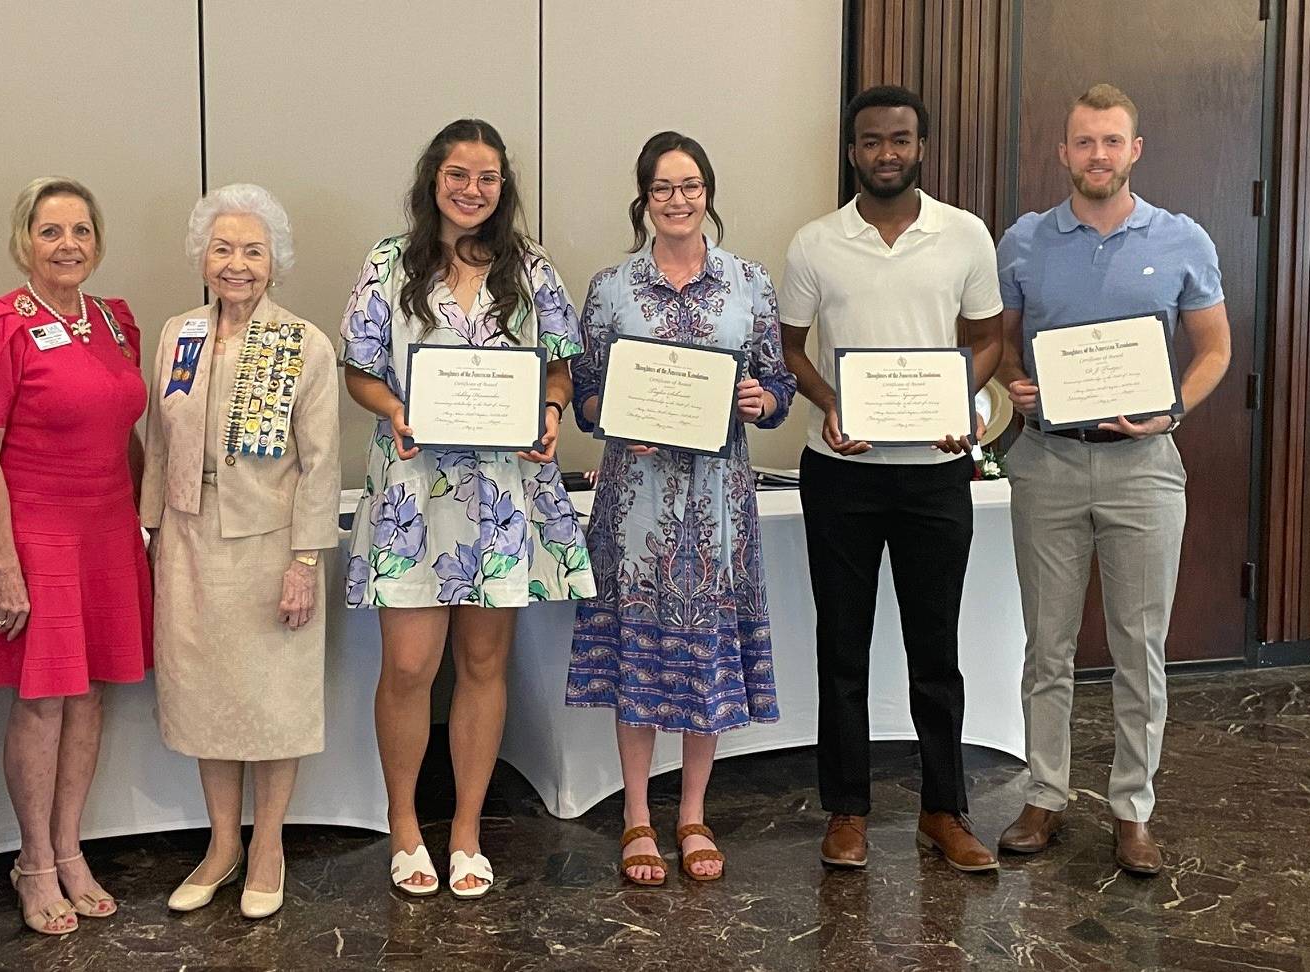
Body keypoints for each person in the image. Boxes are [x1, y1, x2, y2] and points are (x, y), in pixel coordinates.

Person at [341, 118, 596, 898]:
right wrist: (393, 409)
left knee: (484, 664)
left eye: (486, 178)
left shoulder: (531, 267)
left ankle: (465, 832)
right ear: (433, 180)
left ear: (502, 186)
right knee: (410, 667)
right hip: (415, 493)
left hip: (501, 496)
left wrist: (550, 413)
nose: (472, 190)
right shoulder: (389, 261)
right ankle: (406, 826)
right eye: (458, 175)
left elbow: (560, 369)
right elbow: (359, 369)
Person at [993, 83, 1232, 876]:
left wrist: (1170, 413)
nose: (1098, 155)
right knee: (1047, 648)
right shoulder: (1024, 242)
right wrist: (1016, 387)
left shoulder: (1183, 239)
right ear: (1063, 153)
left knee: (1140, 648)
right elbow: (1004, 348)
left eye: (1112, 141)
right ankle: (1046, 794)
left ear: (1135, 150)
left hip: (1144, 470)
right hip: (1049, 462)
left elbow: (1214, 350)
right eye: (1084, 142)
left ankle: (1133, 808)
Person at [778, 86, 1004, 873]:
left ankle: (944, 810)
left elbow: (986, 341)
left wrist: (961, 399)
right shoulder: (814, 244)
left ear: (921, 146)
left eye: (899, 139)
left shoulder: (966, 236)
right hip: (842, 472)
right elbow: (790, 347)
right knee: (843, 649)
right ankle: (846, 811)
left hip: (936, 474)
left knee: (934, 651)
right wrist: (831, 400)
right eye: (871, 141)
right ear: (852, 151)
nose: (885, 153)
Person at [565, 132, 795, 885]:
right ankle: (637, 815)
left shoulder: (750, 283)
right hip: (635, 506)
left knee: (704, 660)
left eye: (690, 186)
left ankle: (692, 813)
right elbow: (586, 397)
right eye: (662, 188)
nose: (677, 200)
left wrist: (765, 401)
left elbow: (777, 384)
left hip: (720, 506)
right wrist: (612, 414)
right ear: (643, 199)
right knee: (639, 658)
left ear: (708, 193)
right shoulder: (610, 288)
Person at [0, 176, 153, 933]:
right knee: (42, 698)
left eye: (81, 231)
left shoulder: (114, 320)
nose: (67, 244)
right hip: (32, 532)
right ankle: (32, 860)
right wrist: (3, 562)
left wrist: (148, 518)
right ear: (23, 241)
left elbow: (125, 430)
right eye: (50, 231)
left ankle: (70, 849)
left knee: (92, 692)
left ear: (97, 242)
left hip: (106, 528)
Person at [142, 184, 339, 920]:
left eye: (252, 251)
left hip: (269, 544)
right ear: (203, 256)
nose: (236, 264)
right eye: (222, 249)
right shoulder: (179, 334)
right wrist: (151, 529)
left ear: (275, 262)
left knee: (270, 699)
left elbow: (322, 464)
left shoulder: (303, 344)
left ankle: (268, 847)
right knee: (205, 698)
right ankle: (223, 844)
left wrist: (305, 561)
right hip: (188, 539)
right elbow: (159, 442)